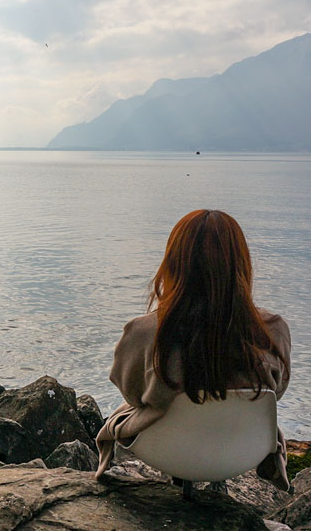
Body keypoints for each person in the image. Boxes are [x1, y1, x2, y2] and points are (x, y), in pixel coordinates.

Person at [94, 209, 292, 492]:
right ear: (241, 263)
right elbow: (276, 393)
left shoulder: (144, 331)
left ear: (174, 262)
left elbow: (133, 394)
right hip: (243, 449)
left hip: (168, 450)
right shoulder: (272, 330)